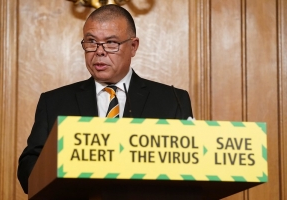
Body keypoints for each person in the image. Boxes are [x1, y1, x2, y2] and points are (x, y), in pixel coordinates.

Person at [17, 4, 193, 194]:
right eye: (91, 41)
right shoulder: (54, 102)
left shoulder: (172, 101)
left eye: (111, 43)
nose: (99, 52)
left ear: (133, 46)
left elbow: (189, 173)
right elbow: (28, 172)